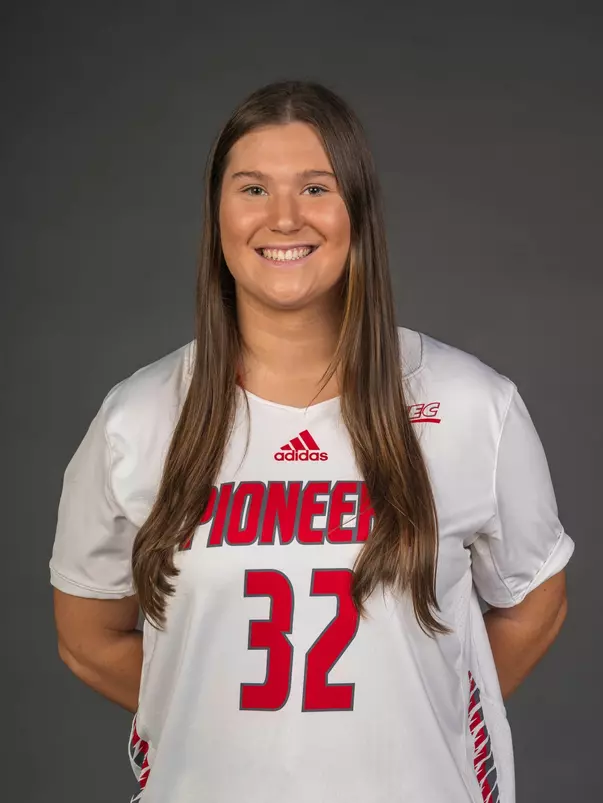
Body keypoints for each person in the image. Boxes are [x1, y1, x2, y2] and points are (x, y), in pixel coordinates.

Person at [50, 80, 574, 803]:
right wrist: (220, 727)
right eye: (253, 188)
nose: (284, 216)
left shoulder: (468, 404)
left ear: (355, 210)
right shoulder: (138, 417)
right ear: (218, 214)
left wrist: (414, 719)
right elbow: (86, 636)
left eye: (316, 187)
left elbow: (536, 601)